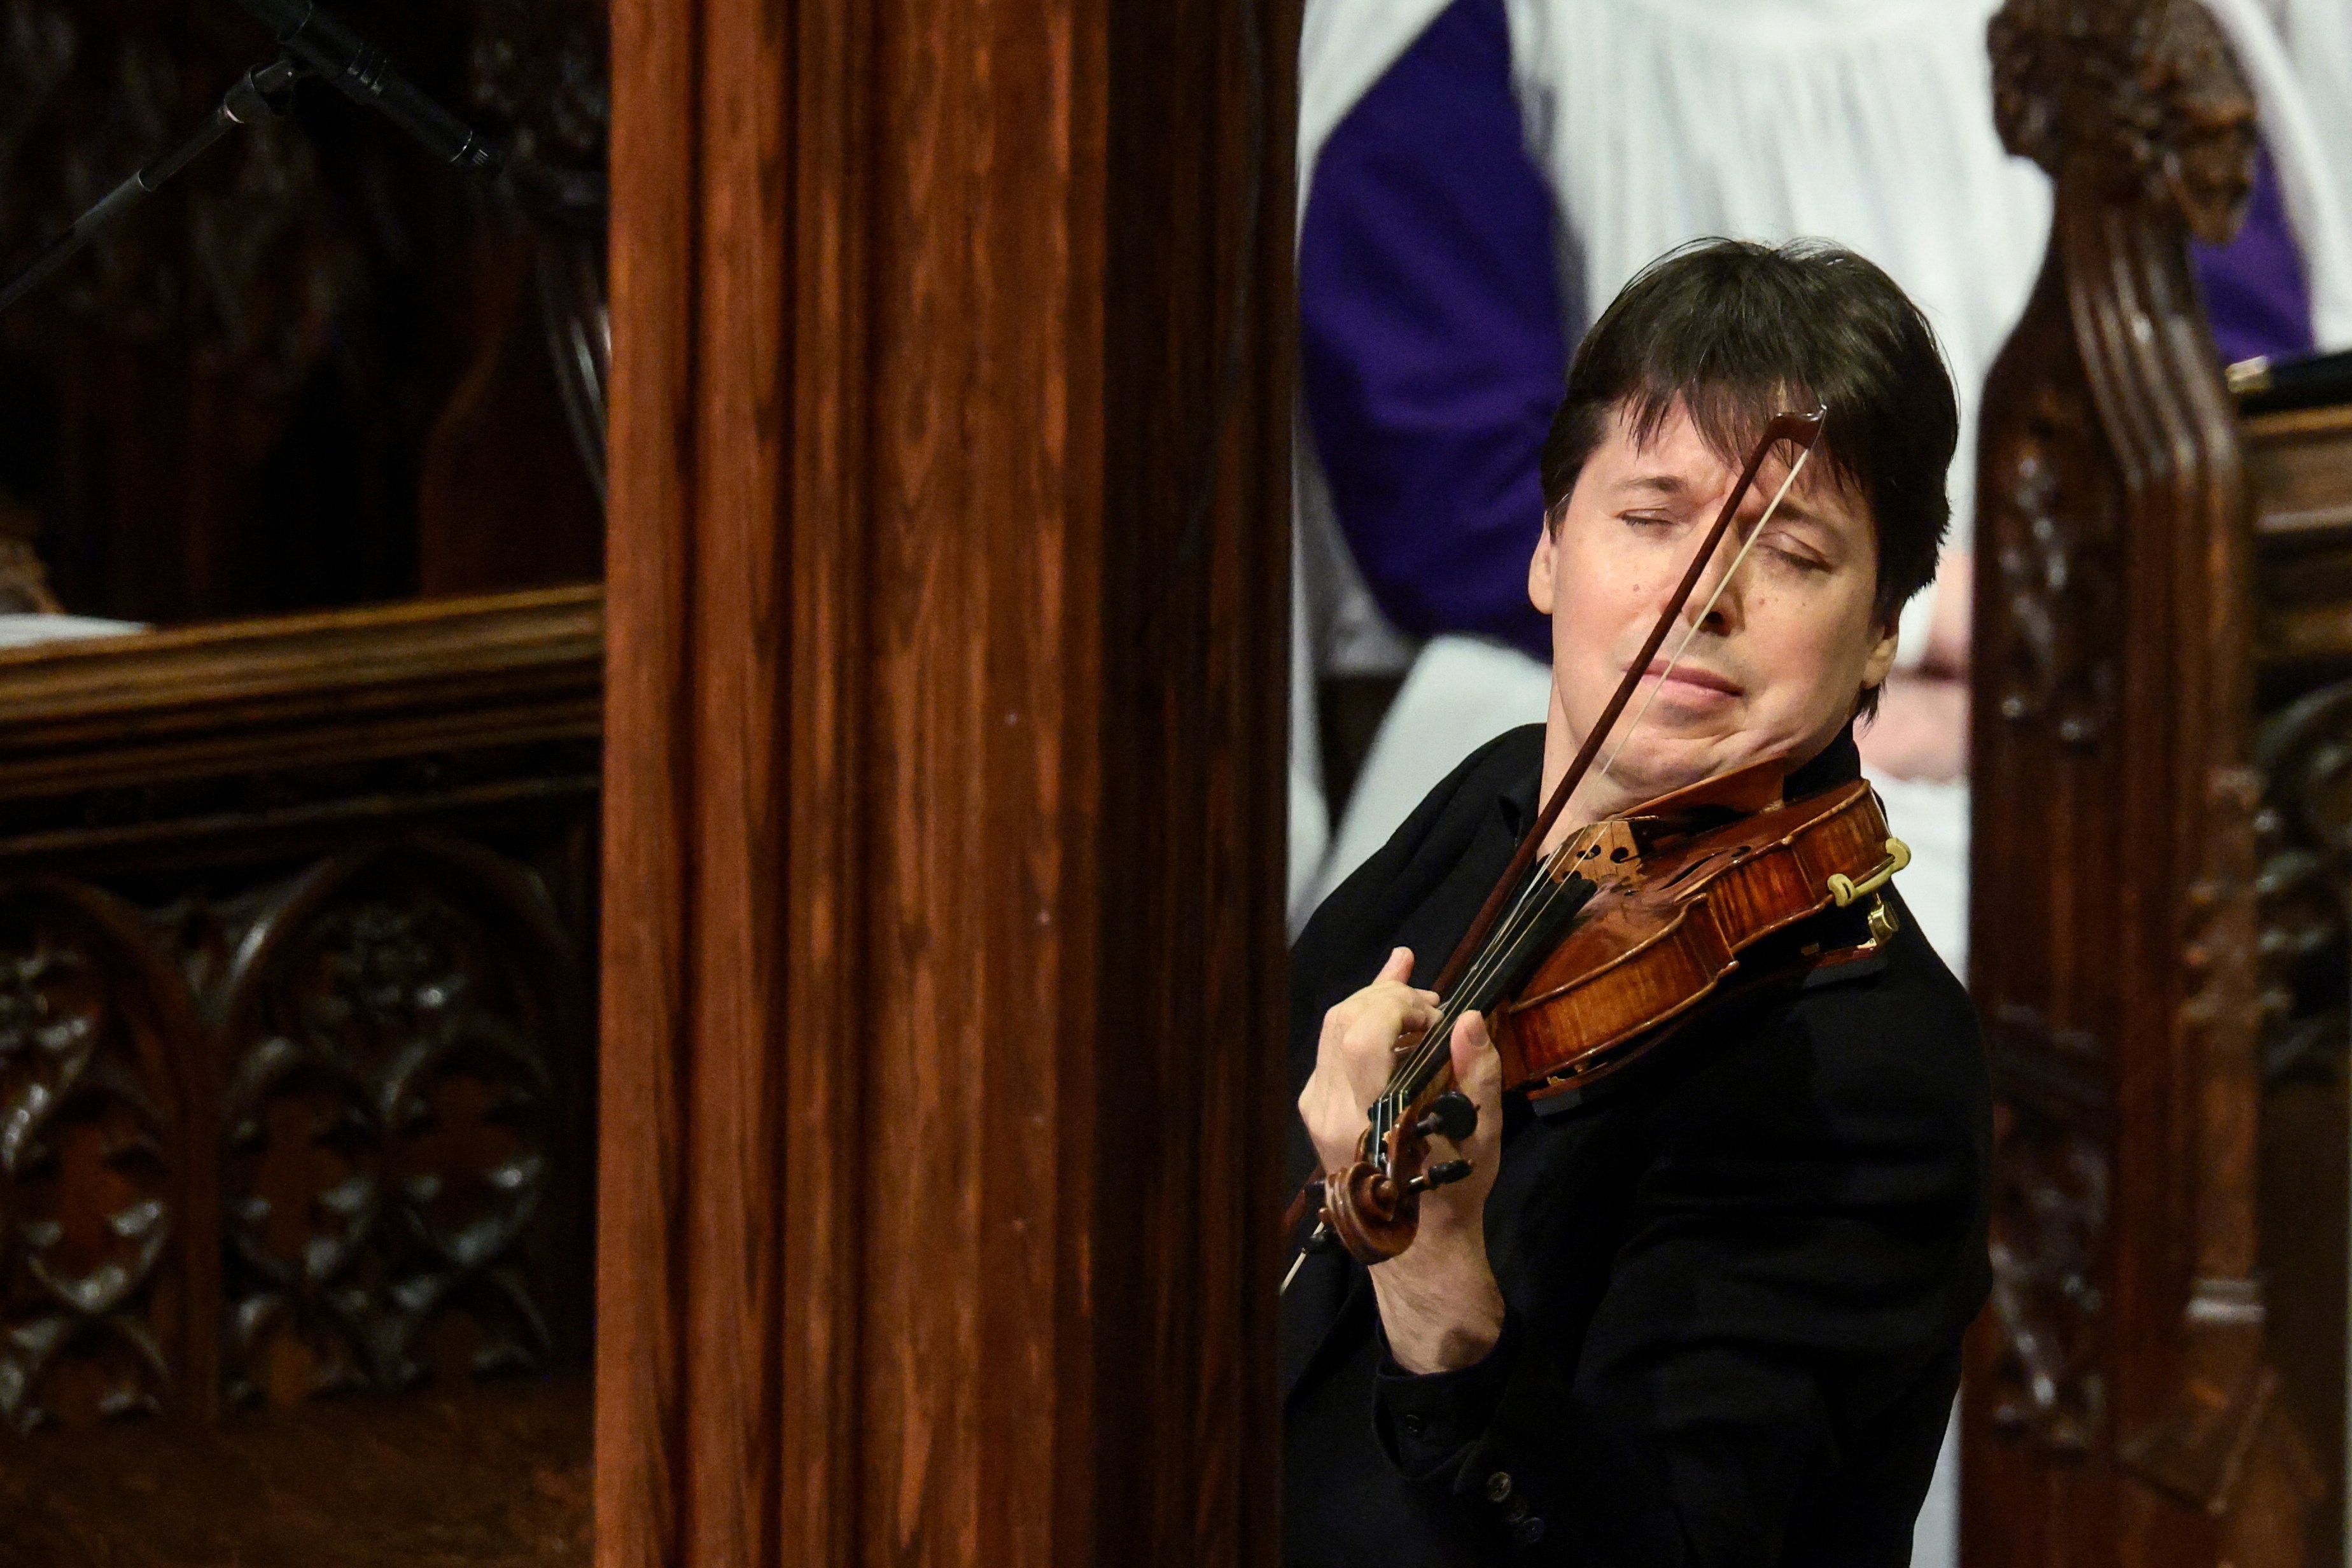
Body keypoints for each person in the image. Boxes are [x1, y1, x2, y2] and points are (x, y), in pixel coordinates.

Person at [1283, 239, 1991, 1566]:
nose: (1703, 593)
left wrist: (1437, 1278)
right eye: (1652, 517)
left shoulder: (1866, 1065)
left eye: (1791, 548)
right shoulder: (1498, 802)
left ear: (1886, 625)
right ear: (1551, 548)